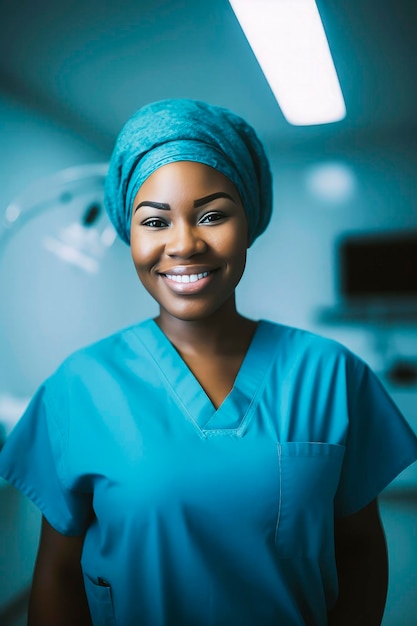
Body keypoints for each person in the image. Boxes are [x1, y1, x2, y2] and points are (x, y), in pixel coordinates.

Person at [1, 99, 417, 626]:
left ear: (250, 221)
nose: (184, 244)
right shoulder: (79, 386)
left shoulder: (331, 375)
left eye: (213, 215)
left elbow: (359, 549)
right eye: (155, 221)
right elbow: (58, 575)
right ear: (130, 234)